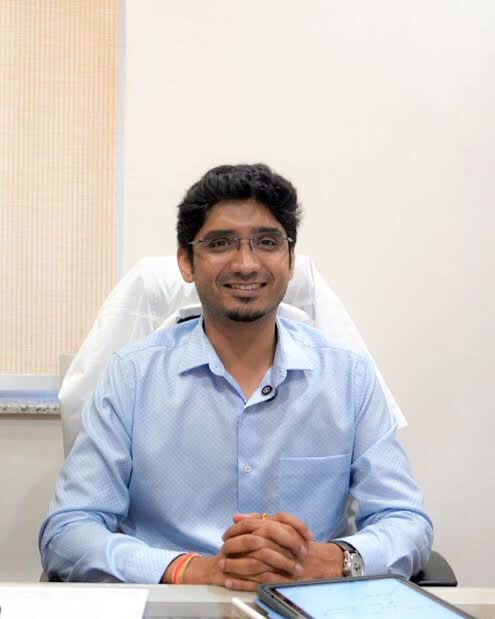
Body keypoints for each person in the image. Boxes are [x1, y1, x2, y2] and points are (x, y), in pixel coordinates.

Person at [39, 163, 433, 589]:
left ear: (291, 260)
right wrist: (193, 569)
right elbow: (69, 531)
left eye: (267, 242)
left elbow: (406, 520)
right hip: (176, 605)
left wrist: (333, 560)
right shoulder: (132, 376)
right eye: (220, 243)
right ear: (186, 262)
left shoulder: (347, 376)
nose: (246, 264)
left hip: (308, 602)